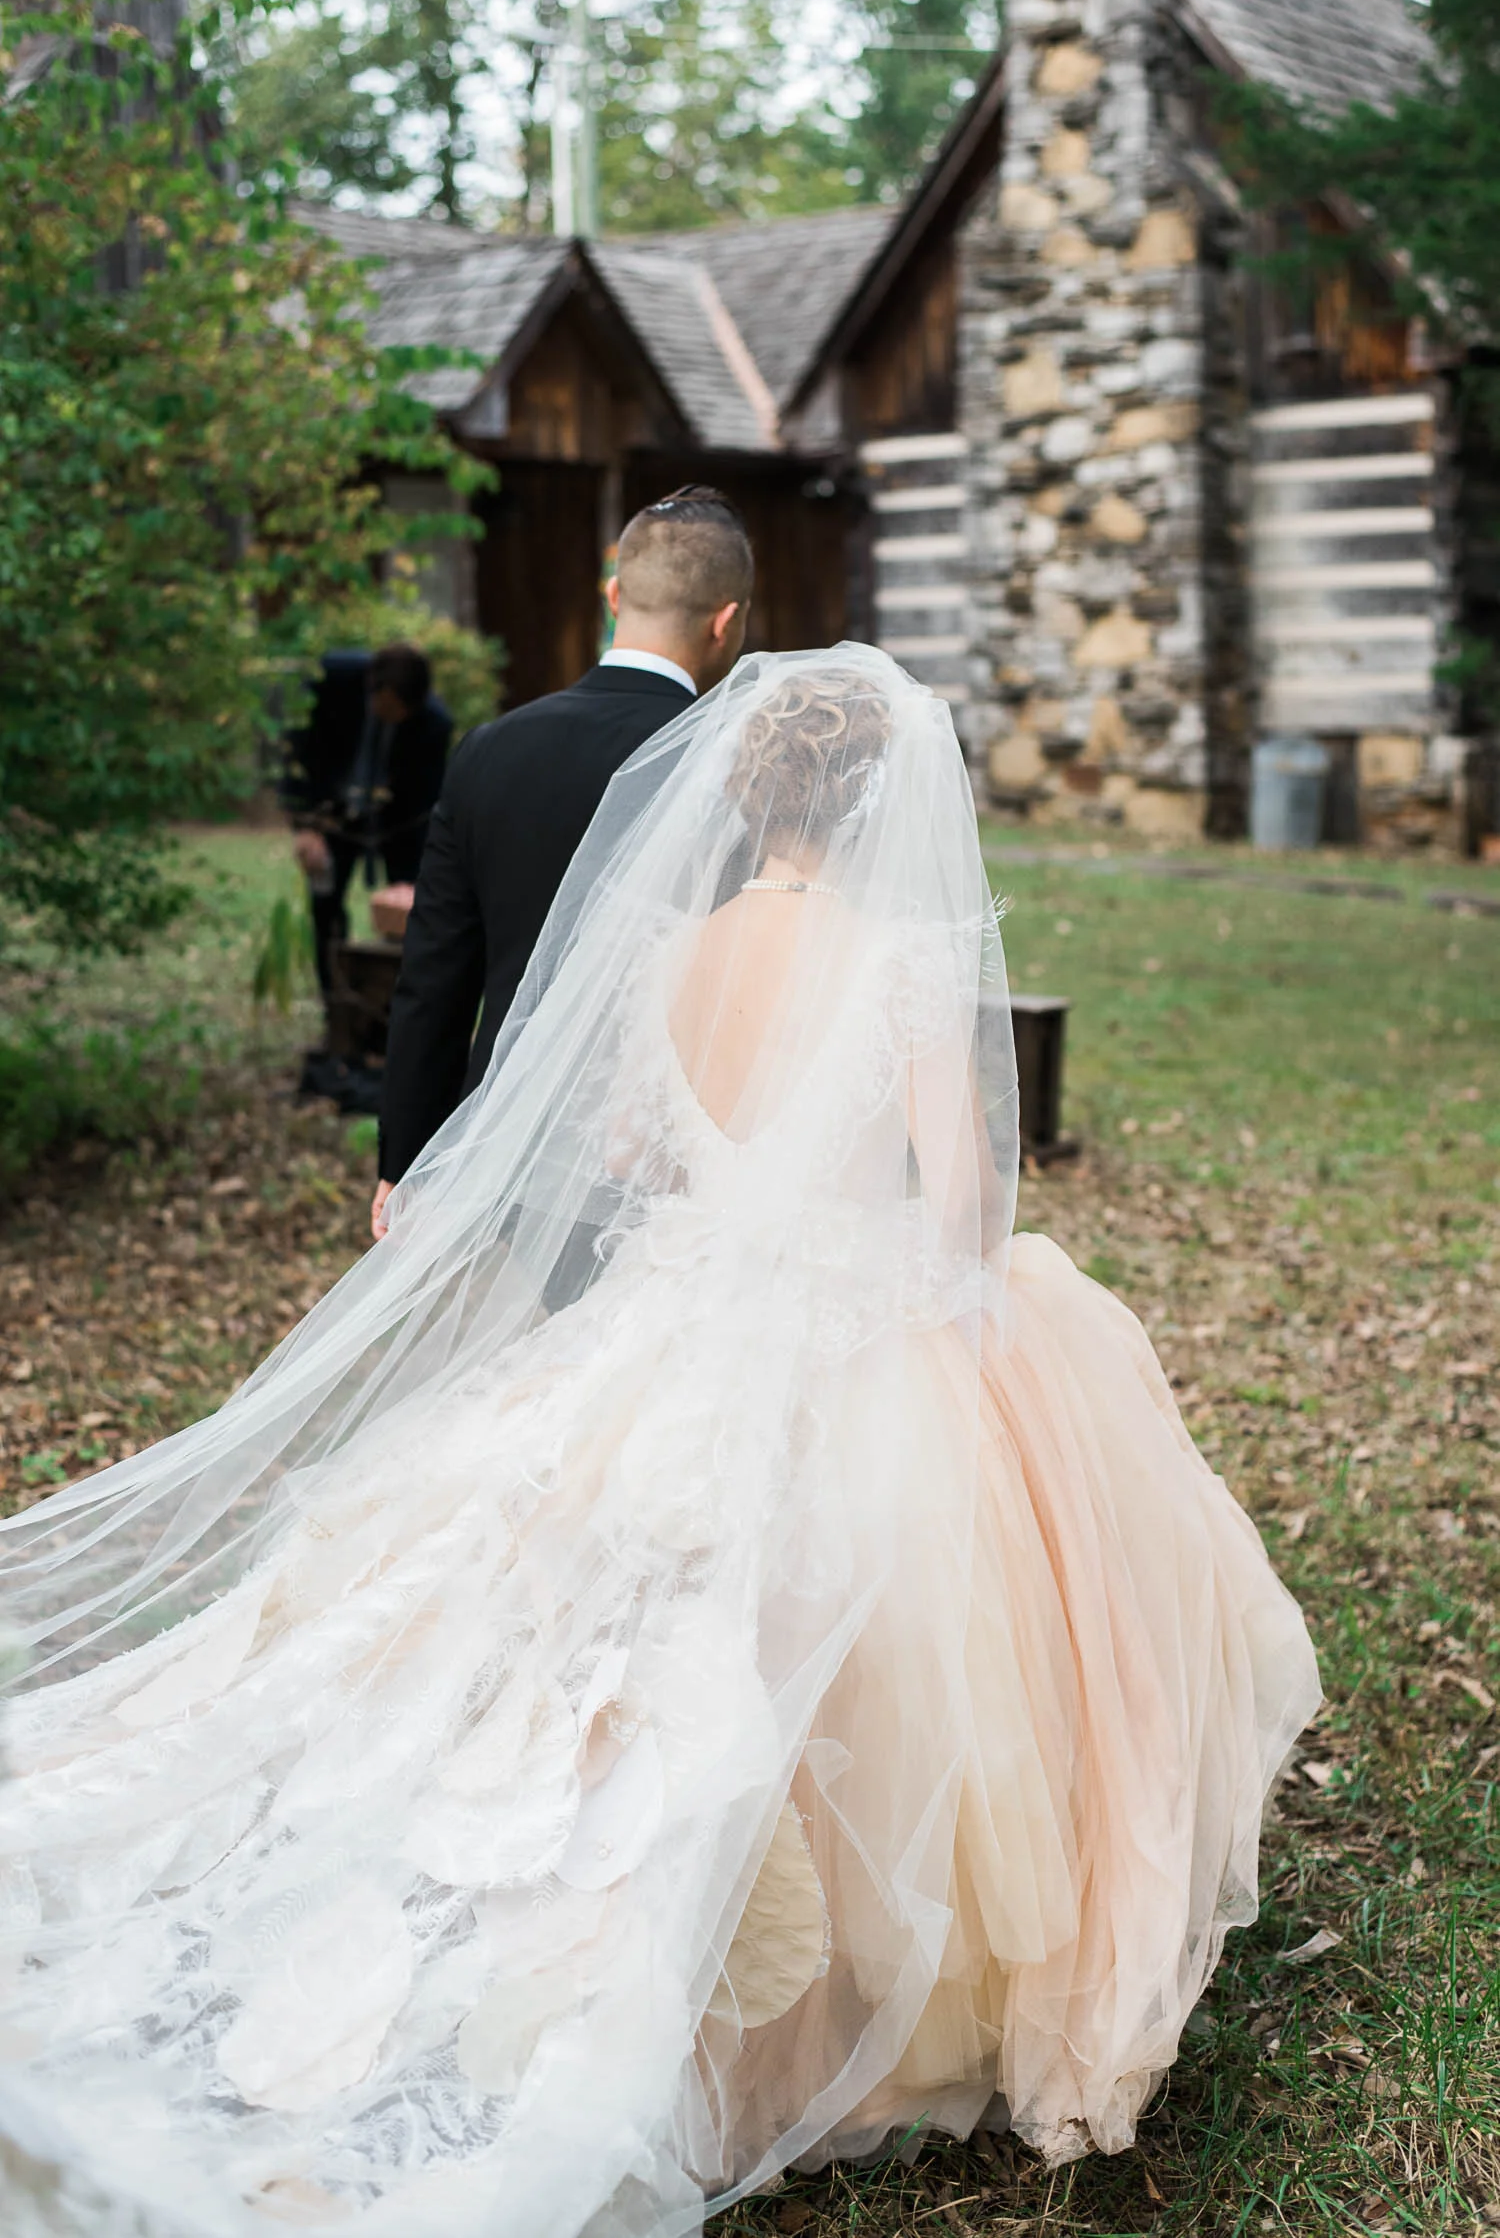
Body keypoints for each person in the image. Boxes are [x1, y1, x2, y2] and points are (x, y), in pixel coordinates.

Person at [0, 649, 1320, 2233]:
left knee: (601, 1621)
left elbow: (626, 1145)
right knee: (887, 1623)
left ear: (747, 793)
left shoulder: (679, 945)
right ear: (883, 802)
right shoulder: (898, 962)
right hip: (842, 1310)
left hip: (679, 1308)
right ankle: (825, 2001)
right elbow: (965, 1198)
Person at [373, 484, 753, 1241]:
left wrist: (406, 1158)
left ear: (615, 596)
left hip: (514, 1154)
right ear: (727, 621)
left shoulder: (489, 751)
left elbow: (435, 975)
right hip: (675, 1166)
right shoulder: (736, 764)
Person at [284, 643, 454, 1002]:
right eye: (392, 706)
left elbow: (426, 804)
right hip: (331, 817)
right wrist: (305, 825)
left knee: (410, 915)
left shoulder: (434, 724)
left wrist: (416, 875)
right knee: (325, 907)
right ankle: (337, 1003)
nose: (397, 716)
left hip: (398, 825)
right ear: (375, 689)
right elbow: (298, 753)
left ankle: (395, 1009)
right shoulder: (330, 682)